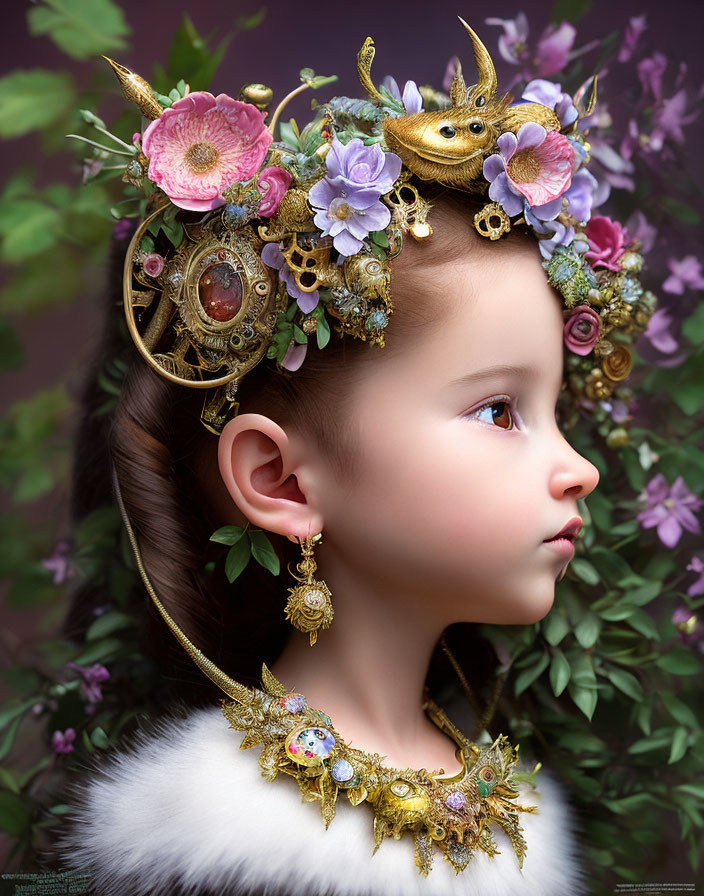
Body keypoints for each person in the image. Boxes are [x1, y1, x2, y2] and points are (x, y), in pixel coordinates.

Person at [49, 18, 652, 896]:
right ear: (280, 479)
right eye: (497, 409)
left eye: (555, 411)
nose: (579, 468)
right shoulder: (217, 843)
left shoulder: (517, 814)